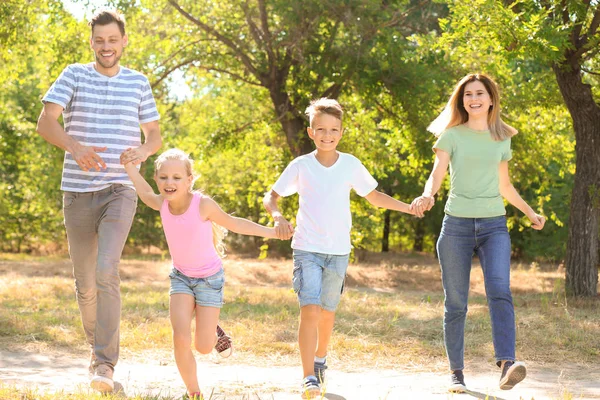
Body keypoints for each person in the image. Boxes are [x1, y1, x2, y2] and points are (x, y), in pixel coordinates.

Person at [35, 10, 162, 393]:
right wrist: (76, 147)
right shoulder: (74, 74)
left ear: (124, 41)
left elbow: (154, 134)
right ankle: (96, 348)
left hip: (119, 189)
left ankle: (104, 363)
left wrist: (141, 152)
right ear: (92, 42)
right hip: (76, 192)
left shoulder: (138, 82)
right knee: (85, 284)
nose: (106, 46)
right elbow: (46, 122)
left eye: (112, 39)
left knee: (107, 270)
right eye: (99, 40)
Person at [263, 98, 415, 398]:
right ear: (311, 132)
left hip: (339, 251)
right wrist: (277, 216)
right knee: (310, 309)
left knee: (327, 312)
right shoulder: (301, 165)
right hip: (306, 248)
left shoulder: (350, 165)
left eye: (333, 130)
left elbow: (375, 197)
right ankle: (308, 377)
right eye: (321, 129)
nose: (327, 135)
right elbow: (272, 196)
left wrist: (409, 209)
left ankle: (320, 360)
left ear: (341, 133)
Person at [410, 73, 546, 393]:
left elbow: (505, 185)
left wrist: (529, 212)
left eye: (479, 93)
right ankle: (456, 373)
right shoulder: (451, 136)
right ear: (463, 100)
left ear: (491, 99)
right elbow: (437, 173)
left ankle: (507, 364)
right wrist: (427, 195)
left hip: (493, 226)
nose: (473, 98)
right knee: (456, 303)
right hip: (456, 225)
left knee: (500, 291)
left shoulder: (502, 137)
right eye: (468, 94)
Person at [122, 148, 282, 400]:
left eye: (176, 178)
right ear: (157, 179)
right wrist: (129, 166)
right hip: (181, 278)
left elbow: (235, 223)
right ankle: (194, 392)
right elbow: (143, 193)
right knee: (180, 337)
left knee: (203, 347)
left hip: (210, 279)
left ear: (189, 180)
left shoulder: (203, 205)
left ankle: (215, 332)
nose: (169, 183)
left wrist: (272, 233)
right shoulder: (161, 203)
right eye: (163, 178)